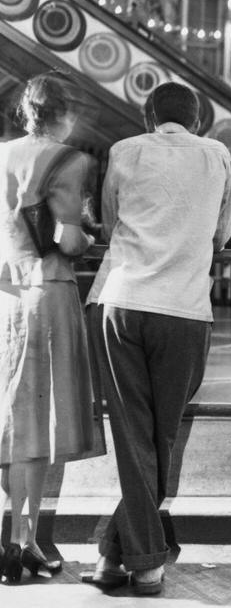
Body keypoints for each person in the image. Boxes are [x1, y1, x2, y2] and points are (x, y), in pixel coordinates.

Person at [86, 81, 231, 595]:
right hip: (186, 310)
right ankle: (146, 560)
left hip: (122, 301)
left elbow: (109, 225)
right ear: (196, 121)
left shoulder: (124, 150)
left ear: (151, 118)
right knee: (161, 436)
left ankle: (115, 555)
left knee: (133, 435)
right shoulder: (218, 155)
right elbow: (222, 234)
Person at [0, 73, 100, 583]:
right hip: (47, 293)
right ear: (64, 114)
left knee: (10, 417)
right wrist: (86, 231)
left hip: (4, 296)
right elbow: (67, 238)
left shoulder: (0, 155)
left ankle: (18, 539)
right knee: (35, 425)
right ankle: (22, 543)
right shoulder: (68, 160)